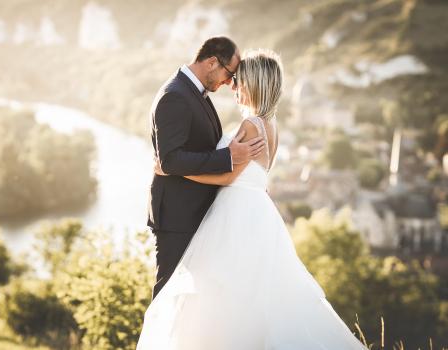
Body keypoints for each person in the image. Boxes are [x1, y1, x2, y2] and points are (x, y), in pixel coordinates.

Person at [137, 49, 366, 349]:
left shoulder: (251, 125)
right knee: (254, 295)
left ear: (255, 84)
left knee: (222, 293)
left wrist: (174, 172)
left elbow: (228, 176)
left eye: (239, 81)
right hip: (257, 212)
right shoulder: (272, 127)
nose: (234, 87)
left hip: (236, 214)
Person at [147, 36, 266, 300]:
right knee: (168, 295)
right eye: (229, 74)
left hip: (196, 213)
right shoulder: (175, 96)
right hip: (178, 215)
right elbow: (170, 160)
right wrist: (228, 157)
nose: (229, 82)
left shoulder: (194, 92)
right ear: (212, 62)